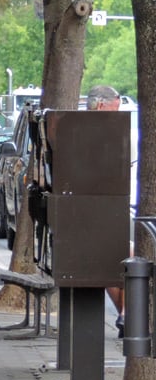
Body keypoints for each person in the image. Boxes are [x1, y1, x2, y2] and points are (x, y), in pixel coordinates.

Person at [86, 84, 134, 337]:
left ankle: (125, 315)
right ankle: (127, 315)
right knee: (128, 258)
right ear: (102, 104)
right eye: (116, 105)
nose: (118, 111)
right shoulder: (100, 133)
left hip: (98, 217)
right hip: (94, 218)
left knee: (119, 263)